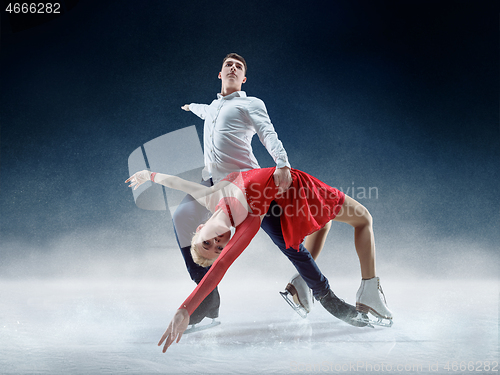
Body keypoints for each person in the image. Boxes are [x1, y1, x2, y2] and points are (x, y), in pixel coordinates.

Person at [125, 167, 393, 353]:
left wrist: (148, 175)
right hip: (297, 190)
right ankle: (367, 291)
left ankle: (302, 286)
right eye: (219, 247)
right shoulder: (249, 221)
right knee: (363, 218)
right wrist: (185, 309)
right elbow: (218, 271)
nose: (218, 241)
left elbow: (177, 183)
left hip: (288, 193)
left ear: (198, 229)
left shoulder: (211, 197)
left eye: (207, 241)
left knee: (324, 224)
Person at [171, 53, 336, 325]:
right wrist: (192, 107)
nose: (233, 68)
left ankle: (323, 292)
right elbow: (205, 110)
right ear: (220, 74)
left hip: (248, 186)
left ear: (243, 79)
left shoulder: (250, 104)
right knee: (180, 218)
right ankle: (207, 298)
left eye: (239, 67)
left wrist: (282, 162)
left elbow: (267, 133)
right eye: (228, 65)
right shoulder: (211, 107)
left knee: (287, 242)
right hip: (212, 182)